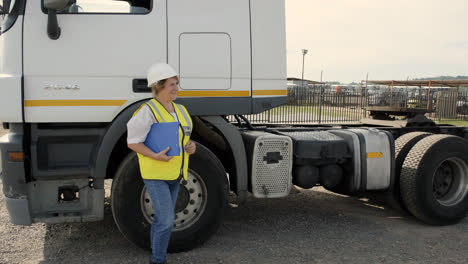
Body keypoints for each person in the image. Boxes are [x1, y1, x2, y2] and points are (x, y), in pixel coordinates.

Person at [127, 63, 196, 264]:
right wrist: (154, 156)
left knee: (165, 220)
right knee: (165, 220)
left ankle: (159, 255)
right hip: (156, 174)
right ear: (158, 87)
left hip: (175, 173)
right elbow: (133, 142)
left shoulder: (181, 109)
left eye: (176, 83)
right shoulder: (147, 110)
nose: (175, 88)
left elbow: (184, 138)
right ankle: (158, 260)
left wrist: (191, 146)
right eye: (170, 85)